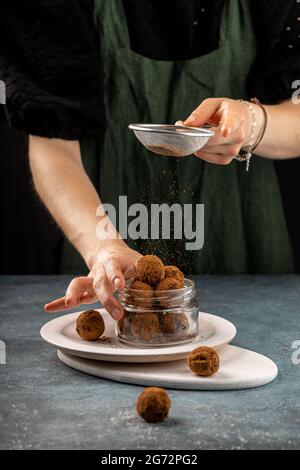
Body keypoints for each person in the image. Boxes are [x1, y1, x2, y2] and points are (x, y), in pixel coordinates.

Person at [1, 0, 300, 319]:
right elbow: (54, 147)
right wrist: (103, 248)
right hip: (105, 222)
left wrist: (253, 123)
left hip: (241, 232)